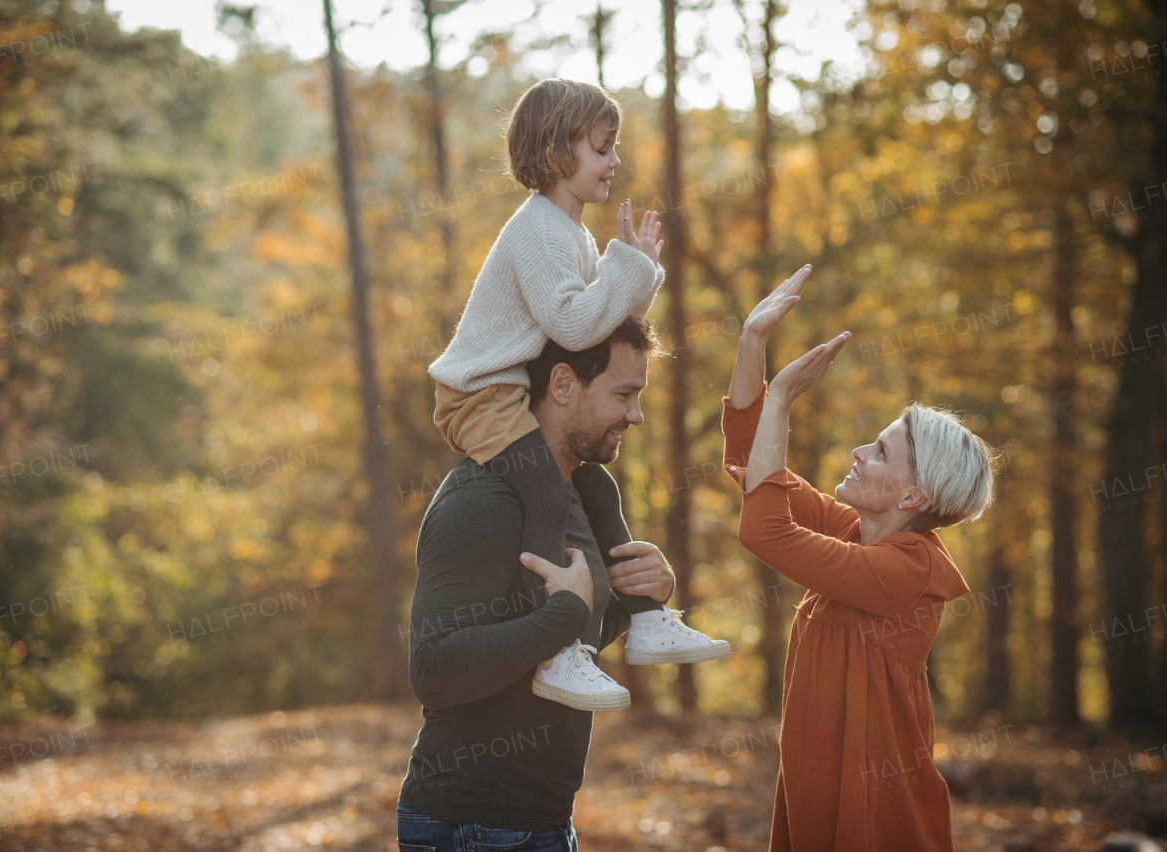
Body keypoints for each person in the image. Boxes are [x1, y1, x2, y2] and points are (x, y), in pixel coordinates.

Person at [428, 78, 728, 711]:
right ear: (556, 151)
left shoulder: (572, 234)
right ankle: (559, 648)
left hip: (512, 391)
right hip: (478, 395)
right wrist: (627, 267)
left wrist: (637, 267)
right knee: (543, 486)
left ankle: (645, 619)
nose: (614, 161)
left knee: (595, 484)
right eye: (601, 148)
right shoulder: (537, 228)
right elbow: (571, 325)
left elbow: (602, 332)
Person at [722, 265, 996, 851]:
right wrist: (752, 343)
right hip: (816, 797)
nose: (857, 451)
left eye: (878, 452)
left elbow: (765, 531)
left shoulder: (907, 572)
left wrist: (784, 401)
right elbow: (754, 465)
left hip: (874, 817)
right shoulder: (858, 535)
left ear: (912, 497)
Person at [401, 318, 691, 849]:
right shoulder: (480, 499)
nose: (636, 414)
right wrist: (561, 616)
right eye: (623, 393)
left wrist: (638, 600)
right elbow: (434, 669)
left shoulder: (575, 490)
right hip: (472, 827)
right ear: (562, 385)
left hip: (544, 821)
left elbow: (563, 644)